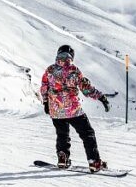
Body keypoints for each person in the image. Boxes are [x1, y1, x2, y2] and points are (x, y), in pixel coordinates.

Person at [40, 44, 111, 173]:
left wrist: (46, 103)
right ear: (71, 56)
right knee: (87, 134)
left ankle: (63, 159)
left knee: (62, 135)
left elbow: (44, 88)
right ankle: (94, 162)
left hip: (56, 110)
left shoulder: (49, 70)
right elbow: (86, 89)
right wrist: (102, 98)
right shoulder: (74, 70)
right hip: (73, 110)